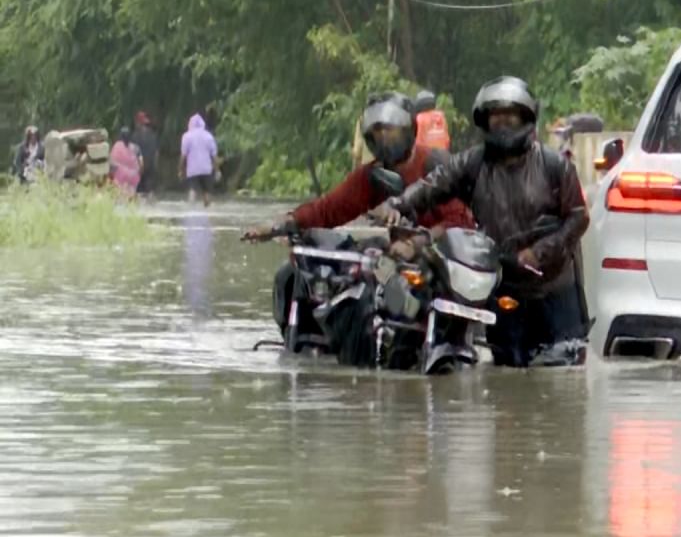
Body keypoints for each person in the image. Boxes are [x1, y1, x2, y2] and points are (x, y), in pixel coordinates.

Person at [377, 76, 590, 368]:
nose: (502, 122)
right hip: (504, 284)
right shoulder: (474, 163)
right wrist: (398, 203)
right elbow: (434, 184)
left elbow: (578, 218)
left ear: (526, 117)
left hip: (555, 287)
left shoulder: (555, 165)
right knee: (507, 370)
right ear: (485, 121)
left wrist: (539, 252)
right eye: (495, 116)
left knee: (565, 371)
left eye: (509, 114)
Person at [242, 92, 474, 353]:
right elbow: (329, 209)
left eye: (391, 131)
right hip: (398, 261)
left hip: (444, 263)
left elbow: (460, 222)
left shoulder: (435, 164)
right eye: (377, 133)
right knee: (303, 275)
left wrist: (417, 243)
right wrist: (280, 225)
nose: (384, 139)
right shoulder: (373, 175)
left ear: (409, 130)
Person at [180, 112, 218, 206]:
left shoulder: (187, 136)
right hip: (206, 169)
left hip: (192, 170)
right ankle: (207, 209)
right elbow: (214, 156)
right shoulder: (209, 136)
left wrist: (180, 170)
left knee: (192, 189)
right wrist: (217, 170)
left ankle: (191, 211)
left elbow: (183, 155)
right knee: (206, 192)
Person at [132, 111, 160, 196]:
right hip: (150, 164)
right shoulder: (153, 135)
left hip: (139, 166)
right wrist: (155, 165)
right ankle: (151, 206)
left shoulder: (135, 136)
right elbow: (156, 152)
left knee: (139, 190)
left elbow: (133, 153)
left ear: (138, 122)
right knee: (150, 189)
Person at [109, 127, 142, 195]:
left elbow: (112, 162)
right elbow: (141, 162)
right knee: (131, 195)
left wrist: (111, 175)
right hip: (133, 177)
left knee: (121, 195)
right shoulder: (136, 147)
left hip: (120, 177)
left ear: (120, 136)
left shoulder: (116, 146)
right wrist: (139, 173)